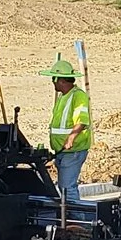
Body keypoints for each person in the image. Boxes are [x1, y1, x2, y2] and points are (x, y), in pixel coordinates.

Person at [44, 54, 92, 212]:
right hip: (62, 152)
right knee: (64, 188)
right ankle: (69, 220)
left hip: (73, 151)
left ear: (61, 80)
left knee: (67, 189)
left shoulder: (78, 96)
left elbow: (82, 120)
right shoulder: (63, 97)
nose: (52, 82)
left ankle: (77, 222)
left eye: (54, 79)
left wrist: (71, 137)